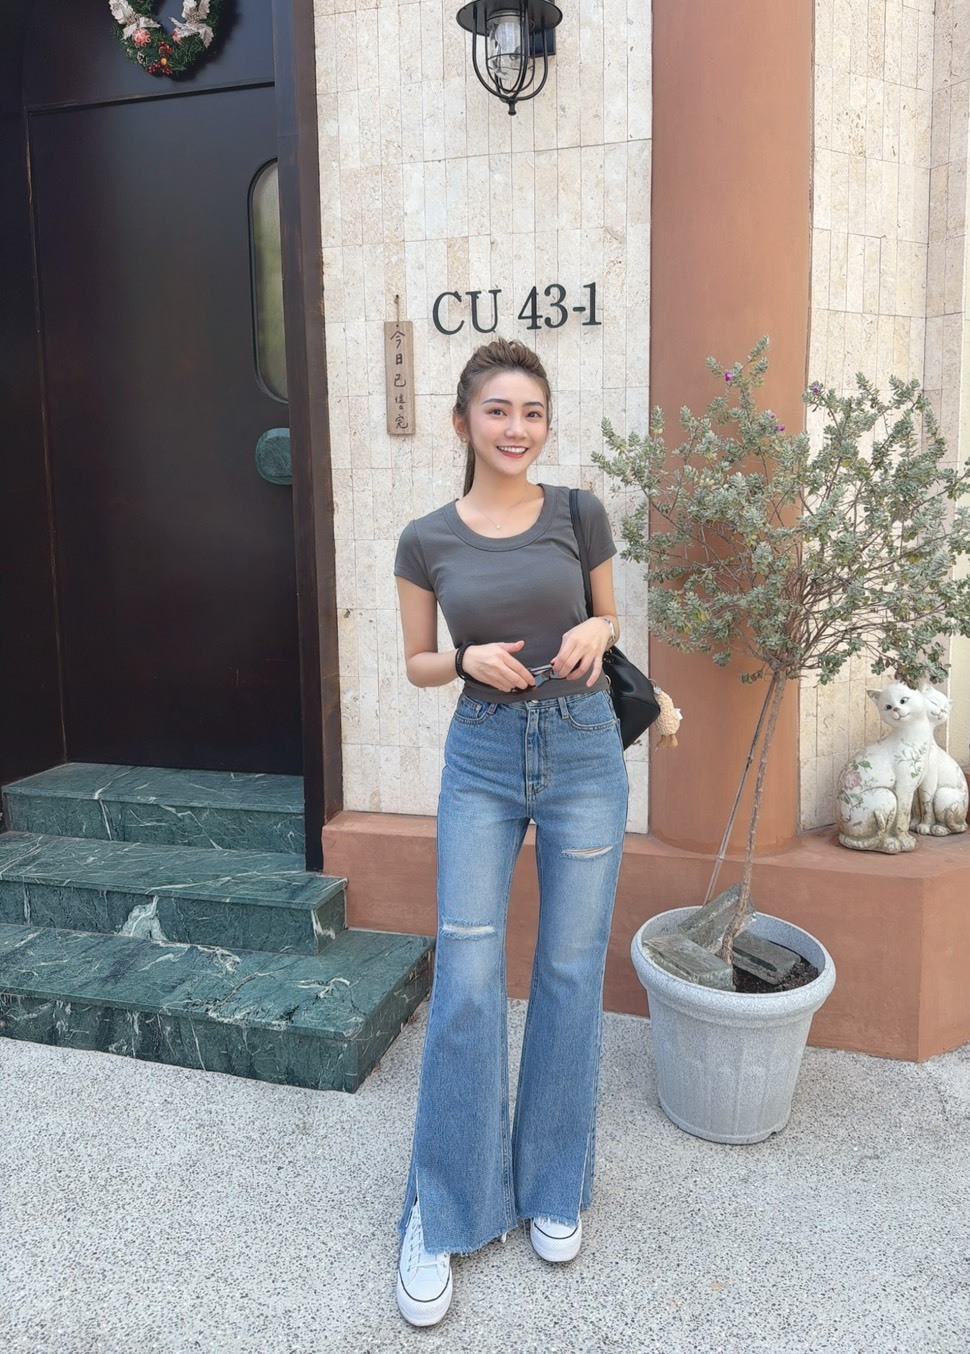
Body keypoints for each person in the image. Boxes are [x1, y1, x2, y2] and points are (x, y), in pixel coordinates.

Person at [392, 337, 629, 1327]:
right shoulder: (425, 539)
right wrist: (464, 659)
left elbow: (609, 620)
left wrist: (596, 629)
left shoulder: (579, 513)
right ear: (463, 423)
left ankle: (551, 1185)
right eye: (497, 410)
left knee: (570, 973)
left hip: (584, 751)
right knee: (467, 973)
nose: (516, 427)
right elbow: (415, 659)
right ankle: (444, 1209)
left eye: (532, 411)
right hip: (482, 756)